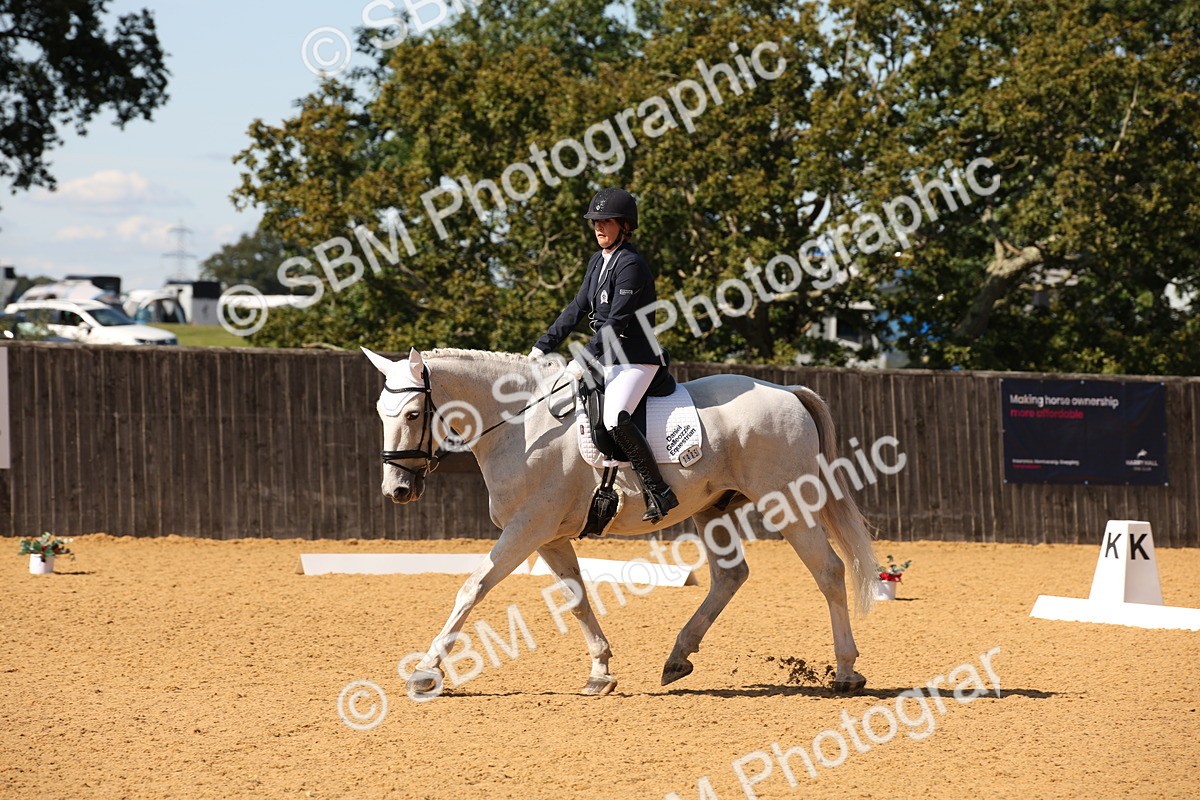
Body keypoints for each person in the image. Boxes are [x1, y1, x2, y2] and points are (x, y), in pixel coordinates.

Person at [528, 187, 679, 523]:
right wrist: (543, 345)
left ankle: (659, 491)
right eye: (595, 221)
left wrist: (581, 360)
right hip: (608, 357)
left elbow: (616, 322)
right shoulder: (598, 261)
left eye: (606, 221)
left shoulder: (631, 265)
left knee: (614, 418)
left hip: (636, 358)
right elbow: (577, 307)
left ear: (624, 225)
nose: (598, 227)